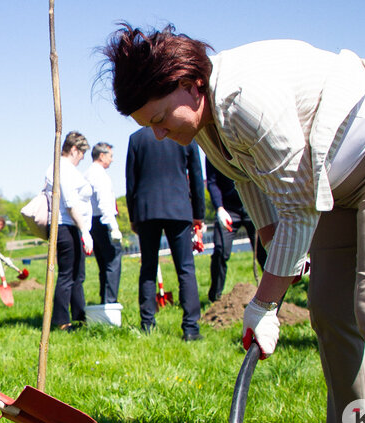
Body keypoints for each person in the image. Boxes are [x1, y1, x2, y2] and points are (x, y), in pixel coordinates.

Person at [102, 23, 365, 423]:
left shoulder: (242, 100)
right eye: (150, 127)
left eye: (160, 119)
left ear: (190, 84)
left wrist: (264, 303)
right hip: (333, 186)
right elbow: (248, 177)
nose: (159, 134)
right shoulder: (203, 124)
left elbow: (298, 206)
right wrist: (275, 245)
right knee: (328, 308)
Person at [126, 126, 205, 340]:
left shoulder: (136, 139)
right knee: (186, 269)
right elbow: (197, 176)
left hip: (147, 211)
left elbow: (130, 183)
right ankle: (190, 328)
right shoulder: (184, 135)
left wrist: (134, 216)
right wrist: (199, 214)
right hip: (178, 209)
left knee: (148, 268)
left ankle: (147, 325)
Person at [44, 131, 94, 331]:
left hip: (71, 226)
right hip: (65, 226)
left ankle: (80, 318)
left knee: (77, 275)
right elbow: (70, 203)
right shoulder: (62, 168)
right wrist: (85, 231)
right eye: (82, 153)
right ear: (74, 149)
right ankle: (62, 321)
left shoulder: (64, 168)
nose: (82, 158)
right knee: (67, 274)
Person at [205, 159, 266, 302]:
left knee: (264, 250)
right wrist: (219, 208)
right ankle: (215, 297)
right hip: (228, 209)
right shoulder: (213, 149)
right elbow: (212, 183)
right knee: (220, 251)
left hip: (251, 204)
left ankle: (274, 294)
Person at [85, 142, 123, 304]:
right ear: (102, 156)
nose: (112, 160)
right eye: (110, 156)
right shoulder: (100, 175)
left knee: (103, 263)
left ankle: (104, 298)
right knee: (113, 260)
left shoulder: (86, 173)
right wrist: (113, 227)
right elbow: (105, 202)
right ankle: (110, 301)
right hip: (103, 220)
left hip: (92, 222)